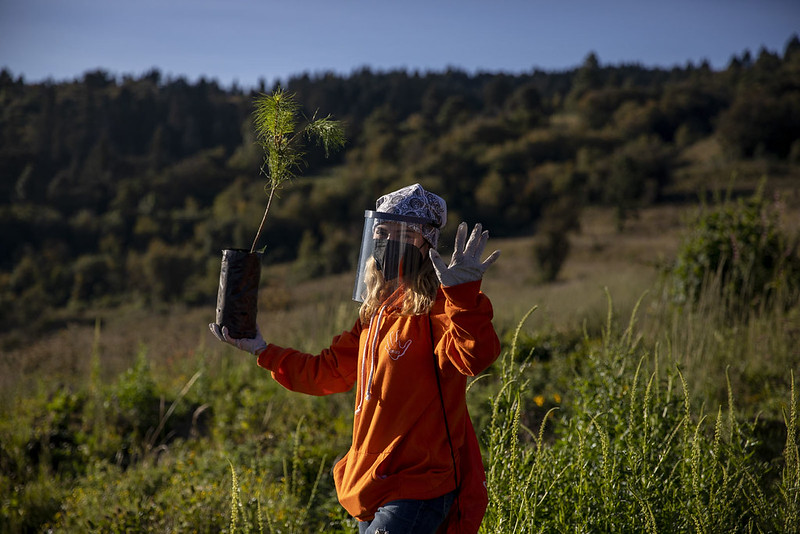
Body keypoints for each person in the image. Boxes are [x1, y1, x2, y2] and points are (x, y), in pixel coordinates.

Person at [209, 183, 501, 534]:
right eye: (381, 231)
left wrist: (464, 296)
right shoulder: (374, 313)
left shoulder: (439, 308)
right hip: (370, 483)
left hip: (419, 484)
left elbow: (474, 357)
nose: (386, 241)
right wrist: (262, 349)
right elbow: (328, 372)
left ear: (427, 242)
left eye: (401, 233)